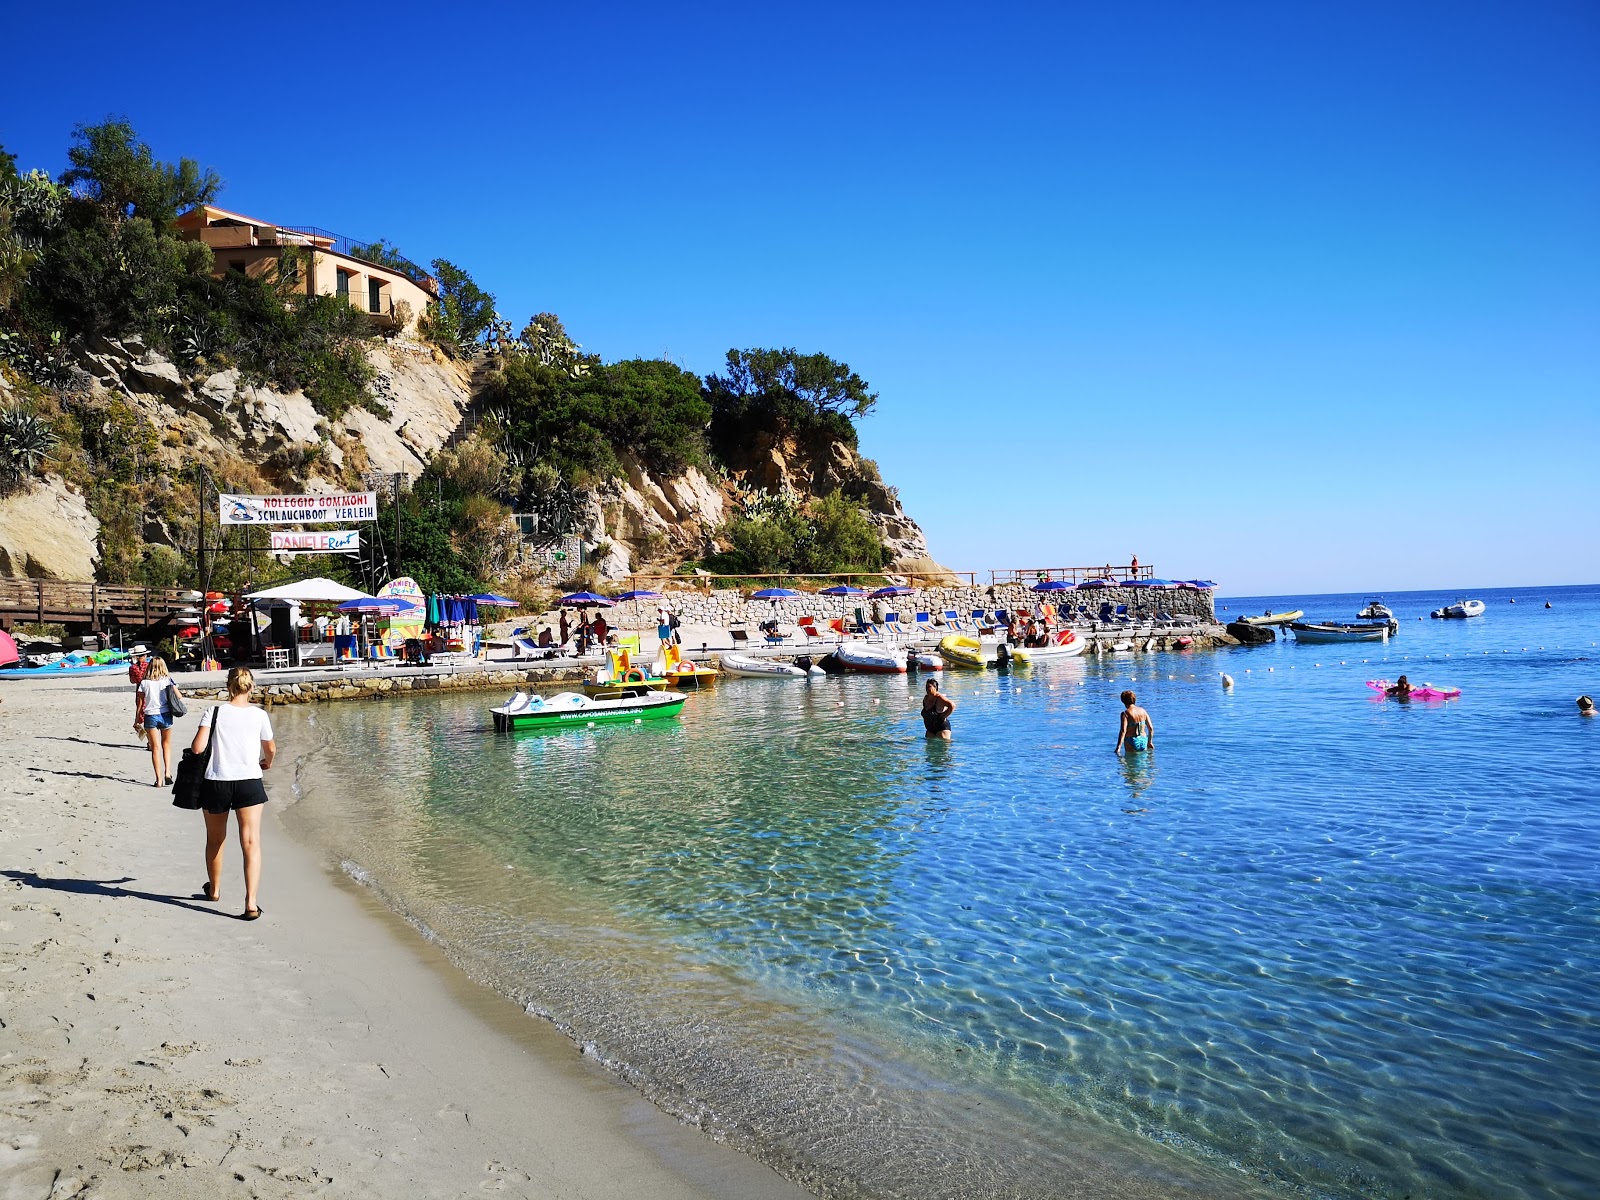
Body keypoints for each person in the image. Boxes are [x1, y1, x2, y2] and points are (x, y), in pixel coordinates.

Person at [190, 668, 275, 920]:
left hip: (217, 781)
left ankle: (214, 890)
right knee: (250, 842)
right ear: (251, 687)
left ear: (229, 686)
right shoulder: (259, 715)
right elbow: (269, 748)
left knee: (215, 839)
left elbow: (197, 748)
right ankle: (251, 903)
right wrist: (267, 762)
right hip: (249, 781)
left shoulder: (214, 711)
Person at [134, 655, 176, 786]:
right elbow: (178, 696)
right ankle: (168, 772)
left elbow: (140, 704)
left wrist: (136, 720)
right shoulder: (167, 680)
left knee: (155, 748)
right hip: (165, 715)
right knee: (166, 744)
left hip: (150, 716)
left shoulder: (144, 683)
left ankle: (159, 780)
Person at [1115, 690, 1154, 754]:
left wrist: (1118, 747)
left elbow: (1123, 731)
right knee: (1143, 762)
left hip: (1131, 740)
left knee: (1129, 762)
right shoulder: (1143, 711)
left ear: (1123, 701)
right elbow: (1151, 728)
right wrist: (1150, 742)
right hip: (1143, 740)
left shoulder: (1125, 713)